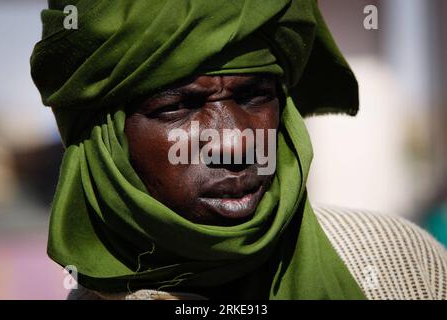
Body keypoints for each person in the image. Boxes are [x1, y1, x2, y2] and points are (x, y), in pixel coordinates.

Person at [30, 0, 446, 300]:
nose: (235, 142)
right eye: (178, 107)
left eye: (253, 97)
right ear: (108, 139)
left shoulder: (400, 263)